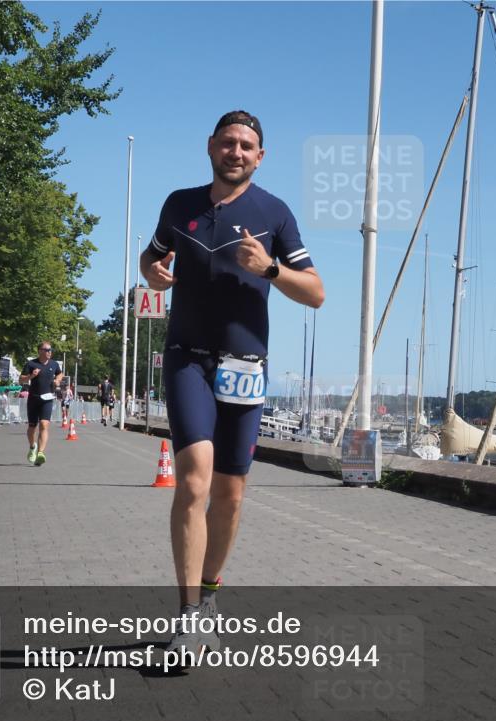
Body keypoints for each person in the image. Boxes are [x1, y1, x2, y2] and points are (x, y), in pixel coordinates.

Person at [140, 110, 324, 660]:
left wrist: (270, 268)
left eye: (247, 145)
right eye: (228, 143)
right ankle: (189, 614)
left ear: (259, 156)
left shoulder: (274, 213)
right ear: (211, 147)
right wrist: (152, 272)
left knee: (230, 495)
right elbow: (152, 256)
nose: (236, 152)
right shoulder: (180, 205)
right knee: (193, 483)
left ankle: (211, 591)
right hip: (187, 357)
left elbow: (315, 292)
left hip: (245, 365)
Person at [19, 342, 63, 466]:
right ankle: (33, 446)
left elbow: (60, 373)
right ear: (40, 351)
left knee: (44, 424)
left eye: (50, 350)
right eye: (47, 350)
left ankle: (41, 453)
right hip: (33, 399)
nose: (49, 352)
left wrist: (57, 380)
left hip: (47, 399)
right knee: (32, 427)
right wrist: (31, 376)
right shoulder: (31, 364)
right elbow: (20, 379)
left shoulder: (54, 364)